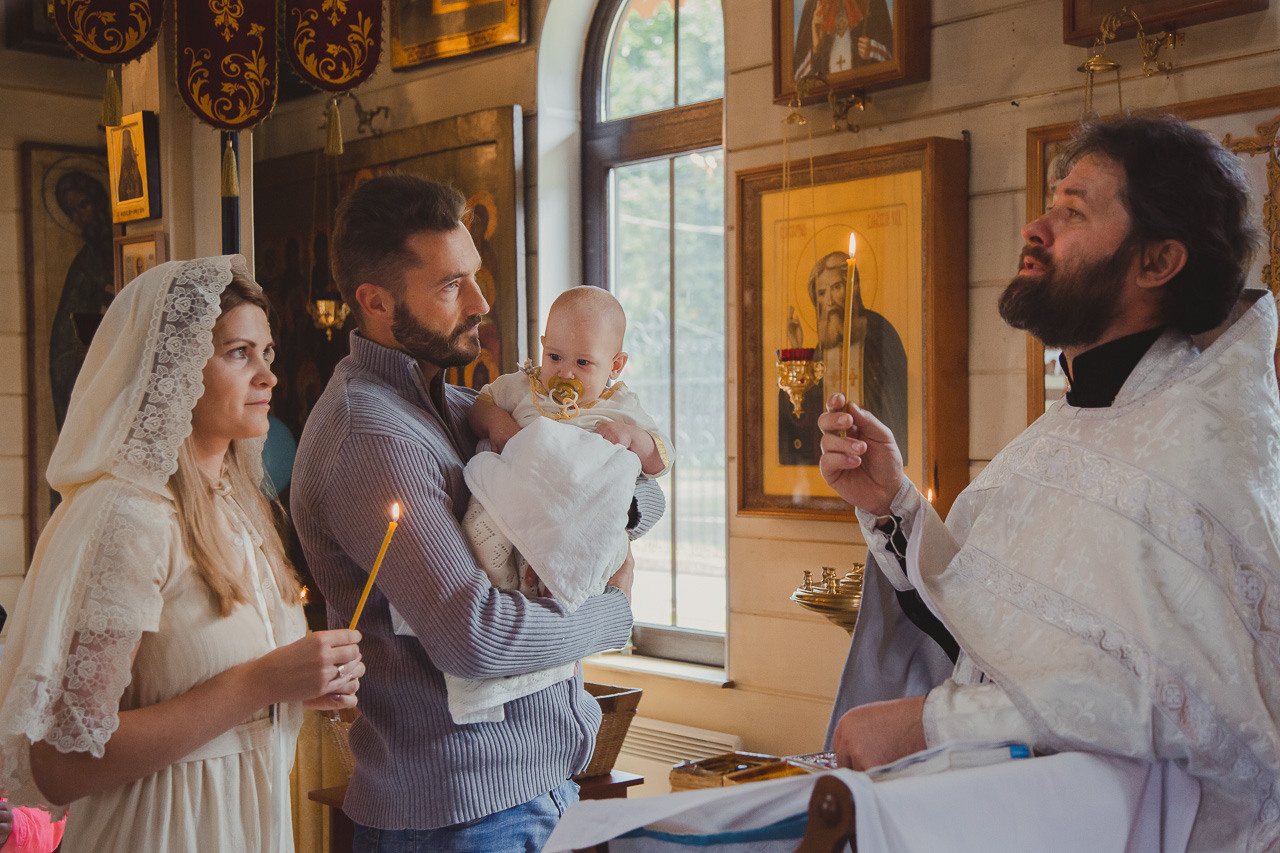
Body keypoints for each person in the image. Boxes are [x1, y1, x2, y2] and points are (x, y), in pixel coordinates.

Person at [819, 114, 1278, 849]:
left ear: (1157, 262)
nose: (1037, 226)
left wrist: (927, 722)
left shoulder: (1203, 460)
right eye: (1050, 204)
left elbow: (1200, 709)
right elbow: (986, 633)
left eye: (1073, 211)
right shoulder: (1059, 434)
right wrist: (893, 503)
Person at [290, 173, 664, 852]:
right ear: (375, 301)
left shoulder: (463, 409)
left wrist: (613, 483)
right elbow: (476, 637)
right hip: (459, 814)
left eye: (474, 277)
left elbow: (642, 498)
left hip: (530, 791)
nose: (481, 302)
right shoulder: (370, 433)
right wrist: (614, 612)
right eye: (449, 285)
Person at [0, 256, 365, 852]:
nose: (269, 376)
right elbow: (60, 763)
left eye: (267, 354)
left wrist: (302, 684)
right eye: (238, 353)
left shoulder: (240, 508)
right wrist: (261, 683)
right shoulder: (129, 517)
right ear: (172, 368)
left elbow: (235, 691)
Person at [428, 285, 672, 723]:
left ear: (615, 366)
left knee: (603, 556)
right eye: (555, 356)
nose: (566, 373)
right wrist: (501, 427)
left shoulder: (618, 406)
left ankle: (555, 607)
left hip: (581, 519)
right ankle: (496, 649)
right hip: (515, 502)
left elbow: (660, 458)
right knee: (483, 543)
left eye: (583, 363)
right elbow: (480, 408)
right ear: (541, 346)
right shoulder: (523, 387)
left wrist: (628, 439)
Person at [779, 250, 907, 466]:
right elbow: (800, 418)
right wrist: (798, 350)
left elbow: (896, 405)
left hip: (874, 458)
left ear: (853, 288)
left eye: (836, 288)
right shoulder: (821, 350)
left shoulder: (879, 333)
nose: (828, 301)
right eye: (821, 293)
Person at [793, 0, 894, 80]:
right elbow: (798, 81)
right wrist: (815, 49)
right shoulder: (813, 4)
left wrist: (872, 50)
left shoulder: (873, 2)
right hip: (826, 101)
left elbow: (894, 61)